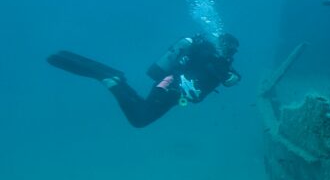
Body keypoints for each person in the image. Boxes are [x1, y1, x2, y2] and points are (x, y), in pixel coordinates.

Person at [47, 33, 241, 128]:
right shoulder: (213, 59)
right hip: (169, 89)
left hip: (171, 91)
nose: (233, 53)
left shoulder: (214, 58)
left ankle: (114, 80)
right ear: (225, 46)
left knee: (141, 110)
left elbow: (228, 78)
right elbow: (220, 74)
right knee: (140, 119)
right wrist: (228, 71)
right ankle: (111, 80)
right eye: (232, 49)